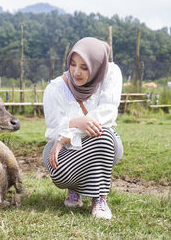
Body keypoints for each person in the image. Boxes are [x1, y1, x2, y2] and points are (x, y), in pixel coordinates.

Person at [42, 37, 123, 219]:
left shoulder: (110, 74)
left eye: (84, 67)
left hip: (102, 142)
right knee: (59, 171)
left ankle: (99, 198)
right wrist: (75, 123)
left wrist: (70, 132)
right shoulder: (55, 89)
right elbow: (53, 131)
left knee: (102, 136)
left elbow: (107, 113)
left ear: (97, 66)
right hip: (63, 148)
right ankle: (73, 187)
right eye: (72, 64)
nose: (76, 72)